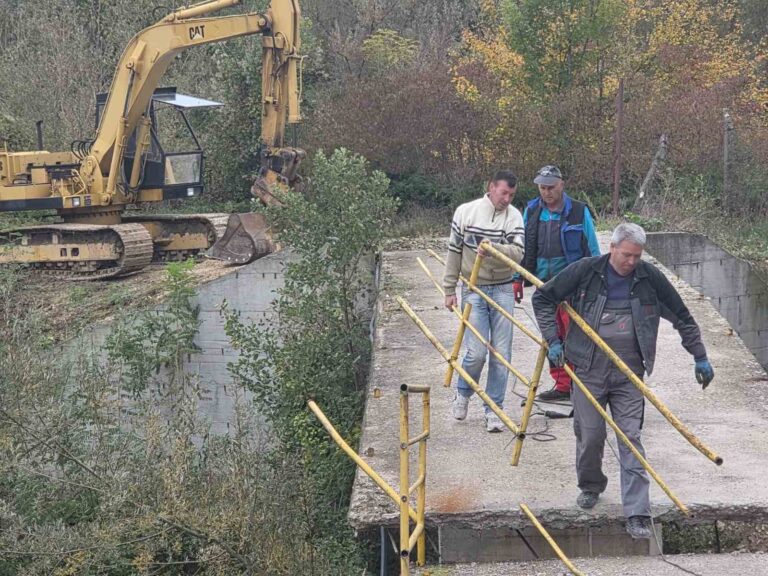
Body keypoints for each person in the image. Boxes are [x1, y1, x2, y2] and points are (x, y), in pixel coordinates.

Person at [531, 222, 715, 539]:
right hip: (588, 367)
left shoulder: (649, 278)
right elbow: (543, 299)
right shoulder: (586, 271)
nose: (631, 262)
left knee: (631, 437)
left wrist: (699, 355)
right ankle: (590, 484)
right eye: (626, 255)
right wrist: (554, 340)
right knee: (590, 435)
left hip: (630, 370)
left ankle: (638, 513)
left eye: (637, 256)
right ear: (612, 247)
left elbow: (682, 315)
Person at [443, 170, 525, 432]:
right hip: (473, 286)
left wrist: (493, 248)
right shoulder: (466, 212)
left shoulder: (514, 216)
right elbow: (454, 252)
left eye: (512, 195)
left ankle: (494, 409)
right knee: (476, 352)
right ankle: (464, 393)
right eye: (504, 193)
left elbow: (518, 252)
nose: (507, 199)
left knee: (501, 354)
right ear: (491, 187)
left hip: (502, 288)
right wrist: (449, 288)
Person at [513, 165, 600, 403]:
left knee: (576, 335)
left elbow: (592, 248)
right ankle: (562, 385)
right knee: (551, 336)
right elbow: (521, 246)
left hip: (572, 284)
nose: (547, 192)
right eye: (542, 187)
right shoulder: (531, 211)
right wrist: (517, 278)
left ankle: (580, 384)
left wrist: (598, 278)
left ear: (562, 184)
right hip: (542, 285)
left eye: (551, 187)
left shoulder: (579, 211)